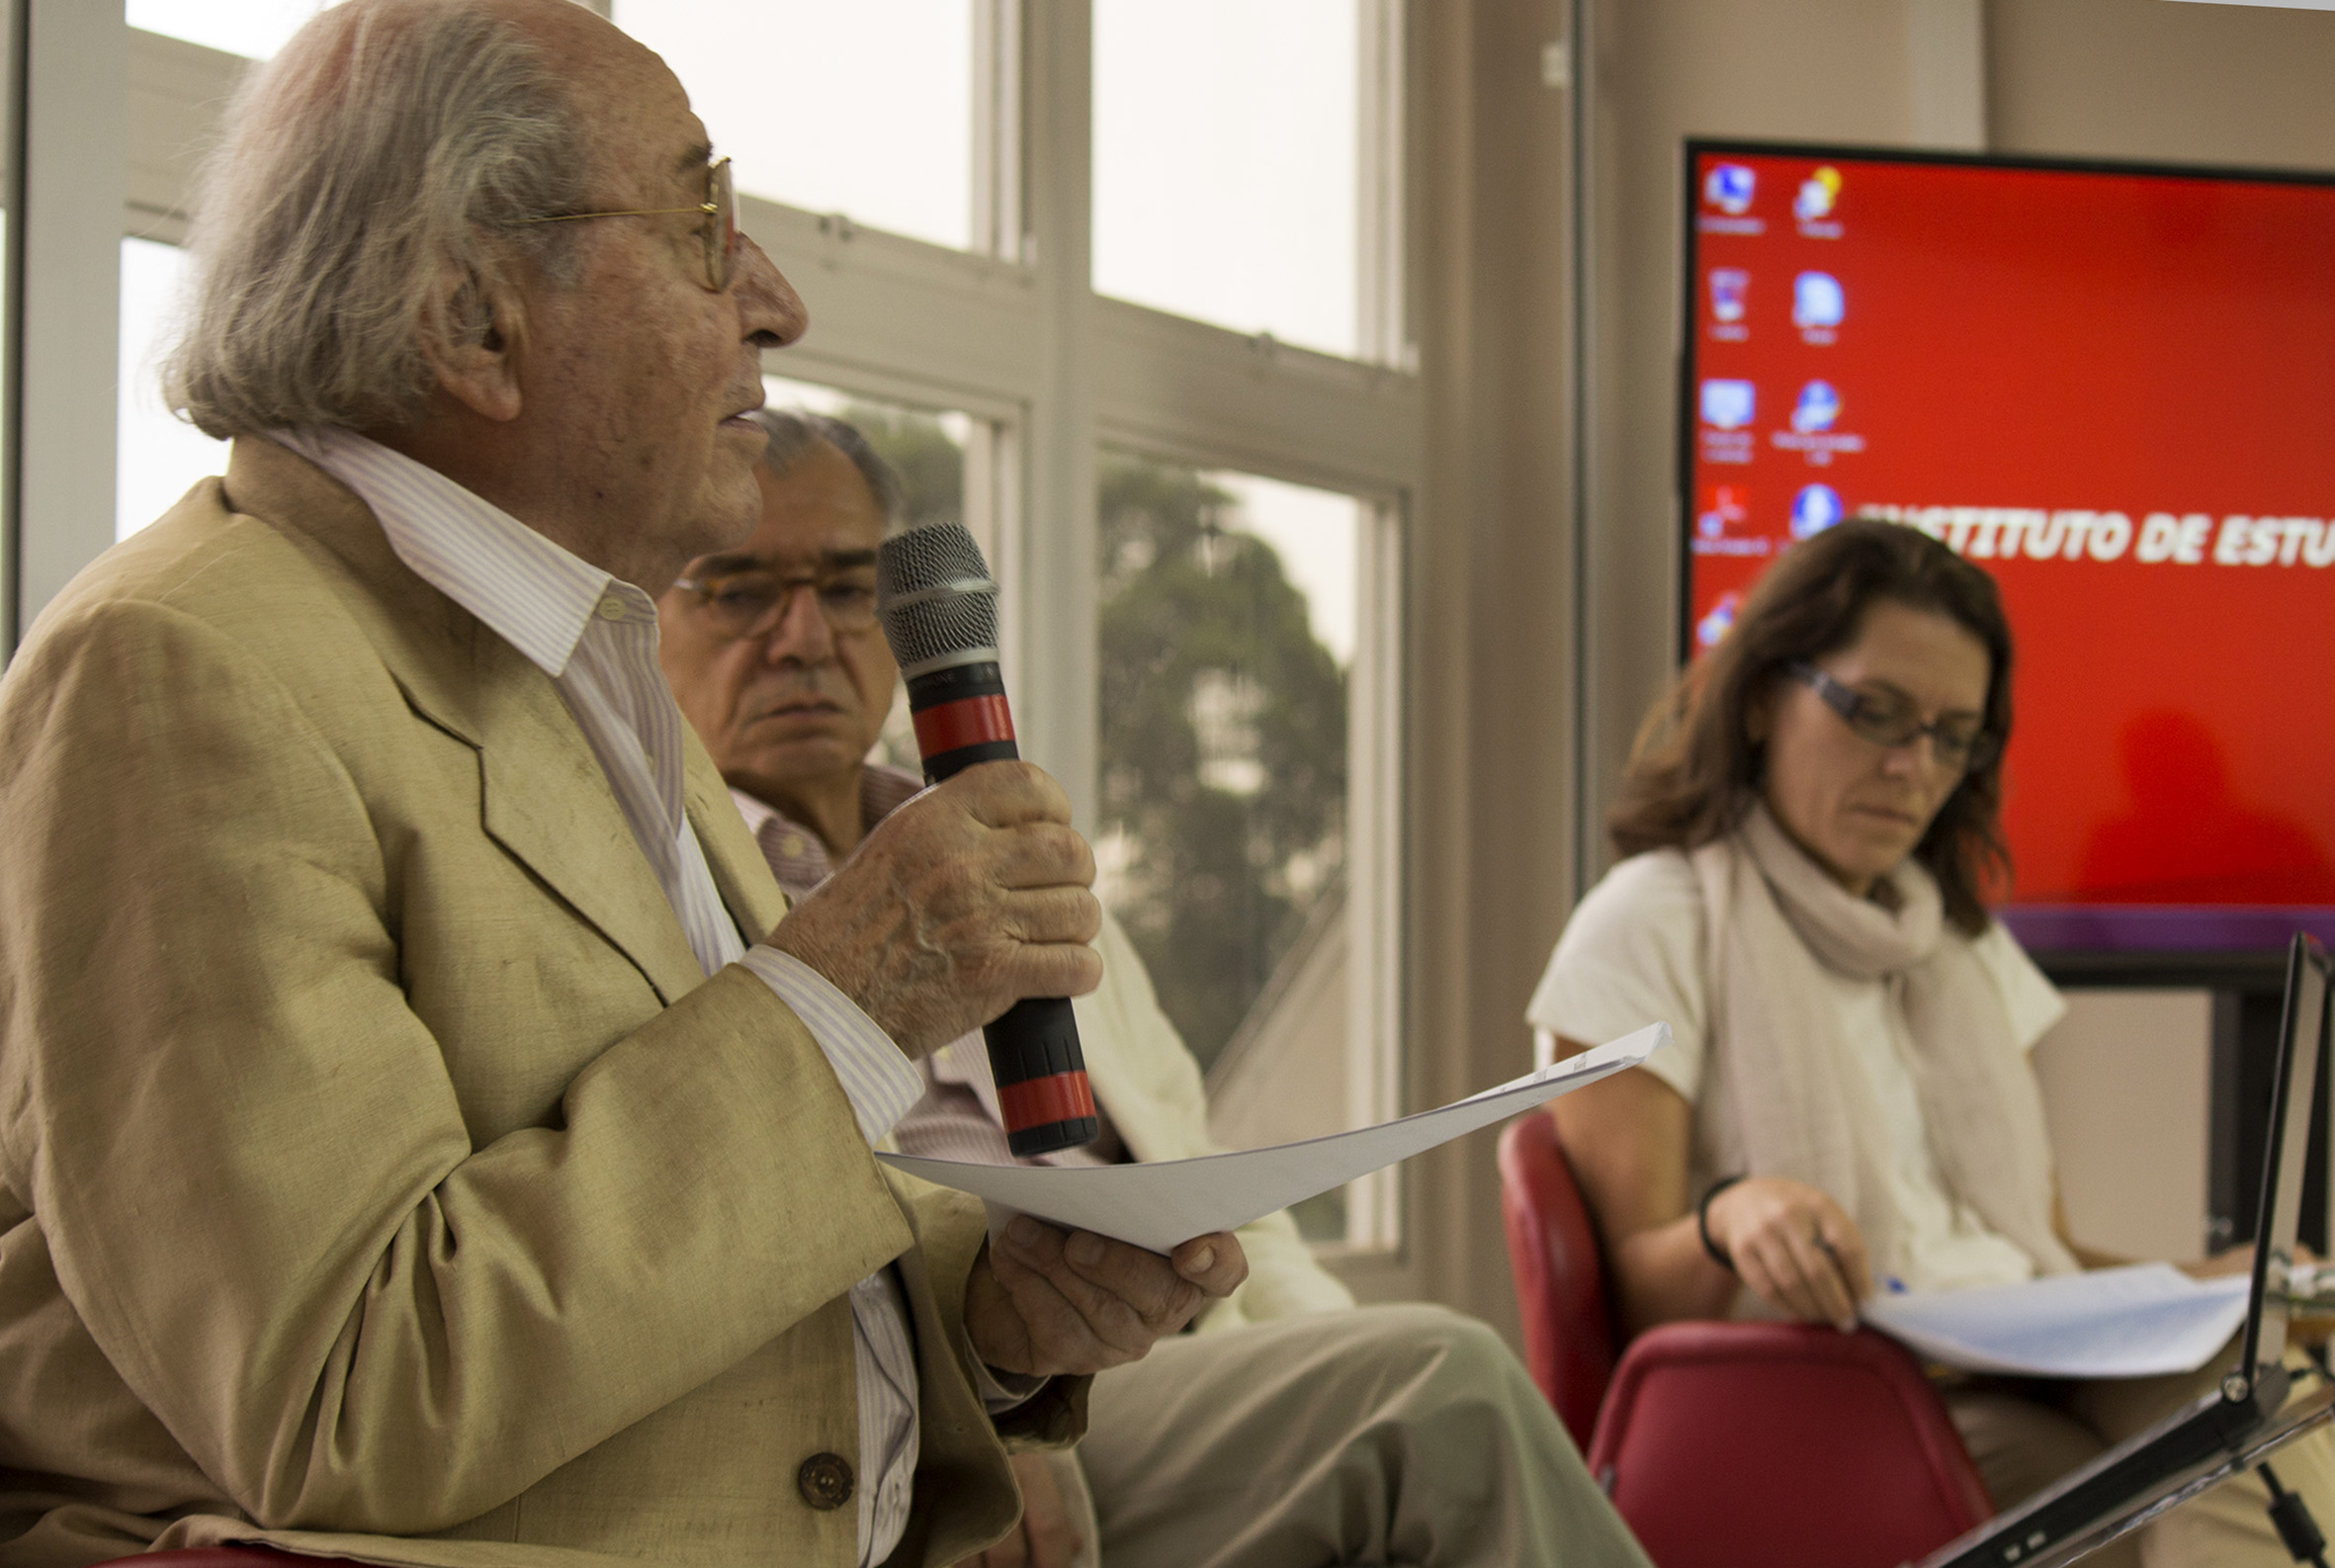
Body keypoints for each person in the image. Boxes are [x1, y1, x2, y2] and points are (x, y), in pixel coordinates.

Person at [0, 4, 1252, 1565]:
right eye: (702, 225)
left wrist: (984, 1311)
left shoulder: (576, 662)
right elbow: (346, 1390)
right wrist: (853, 991)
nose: (776, 304)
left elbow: (663, 1248)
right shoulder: (177, 667)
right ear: (471, 320)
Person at [656, 407, 1658, 1568]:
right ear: (647, 615)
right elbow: (722, 1239)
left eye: (844, 588)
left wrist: (1328, 1354)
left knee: (1418, 1397)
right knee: (1450, 1384)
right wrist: (990, 1401)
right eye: (734, 590)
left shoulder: (1009, 850)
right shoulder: (661, 883)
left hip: (1181, 1353)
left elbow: (1210, 1172)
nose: (802, 637)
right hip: (965, 1390)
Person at [1525, 517, 2335, 1567]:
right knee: (2228, 1466)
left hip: (2008, 1364)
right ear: (1766, 693)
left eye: (1953, 734)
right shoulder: (1649, 917)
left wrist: (2206, 1279)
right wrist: (1730, 1213)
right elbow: (1617, 1304)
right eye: (1876, 712)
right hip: (1823, 1400)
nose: (1913, 766)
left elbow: (2029, 1255)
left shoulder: (1957, 943)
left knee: (2271, 1399)